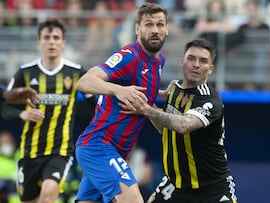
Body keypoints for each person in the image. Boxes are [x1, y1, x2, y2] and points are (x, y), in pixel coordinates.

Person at [74, 2, 169, 203]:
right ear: (137, 29)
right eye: (149, 24)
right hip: (99, 146)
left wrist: (162, 94)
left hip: (114, 151)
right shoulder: (129, 56)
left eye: (160, 25)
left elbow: (141, 89)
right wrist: (118, 90)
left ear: (166, 29)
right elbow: (85, 81)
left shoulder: (159, 59)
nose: (155, 30)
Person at [123, 38, 238, 203]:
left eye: (203, 61)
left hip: (212, 187)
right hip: (175, 184)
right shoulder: (174, 89)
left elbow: (183, 125)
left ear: (210, 69)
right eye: (191, 58)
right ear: (182, 62)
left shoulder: (211, 100)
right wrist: (146, 102)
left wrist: (146, 109)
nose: (196, 64)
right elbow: (165, 128)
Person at [1, 18, 97, 203]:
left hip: (59, 152)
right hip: (29, 152)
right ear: (39, 42)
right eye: (47, 37)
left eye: (56, 37)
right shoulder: (25, 72)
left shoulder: (76, 72)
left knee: (47, 197)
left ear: (63, 42)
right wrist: (22, 113)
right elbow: (6, 108)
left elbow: (97, 105)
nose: (51, 41)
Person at [0, 131, 19, 203]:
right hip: (5, 193)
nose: (7, 144)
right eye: (4, 142)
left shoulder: (22, 155)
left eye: (8, 141)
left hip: (22, 191)